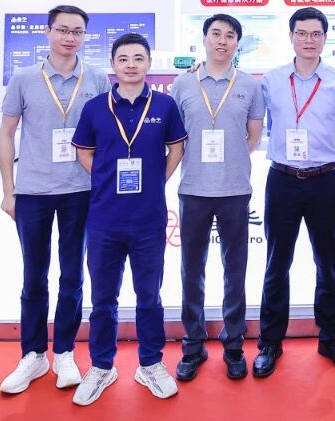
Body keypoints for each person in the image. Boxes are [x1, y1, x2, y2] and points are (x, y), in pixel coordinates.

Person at [0, 5, 110, 395]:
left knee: (73, 275)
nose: (69, 37)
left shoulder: (96, 79)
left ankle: (63, 351)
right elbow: (6, 133)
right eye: (62, 30)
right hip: (33, 192)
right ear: (48, 32)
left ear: (85, 37)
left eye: (77, 31)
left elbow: (107, 135)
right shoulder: (25, 78)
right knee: (34, 276)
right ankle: (33, 354)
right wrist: (8, 190)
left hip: (80, 191)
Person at [70, 33, 187, 405]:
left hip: (149, 220)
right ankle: (102, 366)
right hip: (104, 220)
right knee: (103, 298)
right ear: (113, 65)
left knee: (149, 297)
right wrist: (107, 180)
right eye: (123, 59)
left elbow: (177, 148)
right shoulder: (95, 107)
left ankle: (150, 363)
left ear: (149, 63)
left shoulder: (165, 105)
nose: (131, 65)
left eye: (138, 58)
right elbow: (84, 153)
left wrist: (155, 180)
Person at [255, 7, 335, 378]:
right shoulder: (270, 81)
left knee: (327, 264)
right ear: (290, 37)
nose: (309, 40)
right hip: (282, 180)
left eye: (316, 34)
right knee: (276, 264)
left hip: (324, 180)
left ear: (325, 38)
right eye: (302, 33)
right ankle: (270, 342)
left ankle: (332, 340)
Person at [170, 14, 265, 382]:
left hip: (235, 190)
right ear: (205, 39)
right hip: (193, 189)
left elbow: (253, 136)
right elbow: (175, 137)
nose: (222, 41)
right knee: (191, 271)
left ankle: (234, 344)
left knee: (235, 271)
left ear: (237, 42)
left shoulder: (250, 85)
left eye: (229, 35)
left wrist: (232, 161)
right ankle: (193, 345)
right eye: (216, 34)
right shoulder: (183, 83)